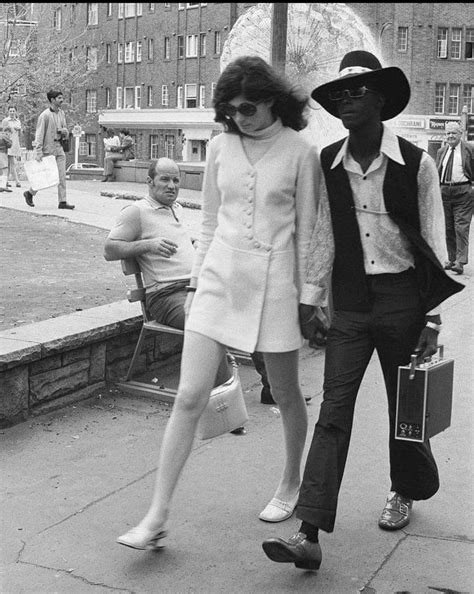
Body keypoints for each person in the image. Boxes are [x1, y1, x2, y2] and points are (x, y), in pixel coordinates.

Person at [262, 50, 464, 571]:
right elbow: (324, 233)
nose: (347, 100)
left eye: (358, 91)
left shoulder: (416, 163)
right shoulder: (328, 161)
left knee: (406, 410)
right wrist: (311, 301)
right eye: (340, 94)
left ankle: (408, 488)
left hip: (403, 301)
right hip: (351, 303)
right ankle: (308, 532)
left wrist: (432, 318)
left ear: (381, 101)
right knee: (334, 412)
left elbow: (434, 238)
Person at [115, 55, 320, 551]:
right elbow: (207, 223)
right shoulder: (221, 148)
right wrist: (196, 283)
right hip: (216, 282)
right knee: (189, 396)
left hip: (275, 285)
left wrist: (310, 297)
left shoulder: (300, 152)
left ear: (272, 99)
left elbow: (309, 233)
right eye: (229, 110)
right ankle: (156, 514)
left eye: (247, 107)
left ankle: (292, 480)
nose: (239, 117)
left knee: (286, 392)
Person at [103, 156, 272, 401]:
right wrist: (149, 244)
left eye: (176, 180)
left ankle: (274, 388)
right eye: (165, 179)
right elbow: (109, 249)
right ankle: (225, 403)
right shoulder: (136, 211)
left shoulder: (177, 208)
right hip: (166, 295)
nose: (172, 186)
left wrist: (192, 244)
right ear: (149, 182)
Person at [23, 90, 75, 210]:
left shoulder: (61, 113)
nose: (62, 100)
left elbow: (65, 128)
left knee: (61, 175)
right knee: (45, 176)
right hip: (48, 149)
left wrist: (65, 132)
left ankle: (62, 201)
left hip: (59, 147)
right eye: (59, 98)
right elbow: (39, 134)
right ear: (52, 100)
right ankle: (30, 193)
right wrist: (38, 151)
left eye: (62, 97)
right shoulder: (44, 115)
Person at [435, 121, 474, 275]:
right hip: (444, 192)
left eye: (454, 133)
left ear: (460, 134)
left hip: (463, 192)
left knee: (461, 227)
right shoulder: (441, 151)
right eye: (448, 133)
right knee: (448, 228)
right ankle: (451, 259)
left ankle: (460, 261)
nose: (450, 136)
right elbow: (437, 172)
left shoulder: (469, 149)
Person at [1, 106, 22, 187]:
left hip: (15, 144)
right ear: (8, 112)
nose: (12, 112)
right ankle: (17, 181)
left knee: (9, 164)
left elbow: (19, 134)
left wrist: (19, 130)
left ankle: (5, 181)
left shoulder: (18, 121)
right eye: (10, 111)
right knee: (11, 163)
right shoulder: (5, 121)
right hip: (7, 144)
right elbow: (2, 132)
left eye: (13, 111)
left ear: (16, 112)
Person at [0, 123, 13, 192]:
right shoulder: (5, 136)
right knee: (5, 170)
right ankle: (3, 186)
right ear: (8, 131)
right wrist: (10, 140)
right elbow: (9, 145)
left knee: (0, 171)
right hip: (2, 154)